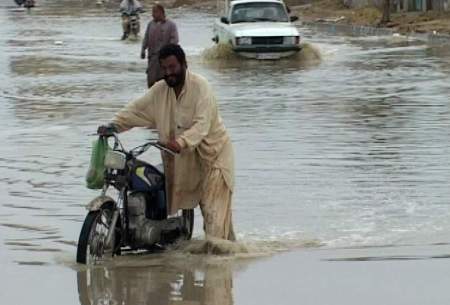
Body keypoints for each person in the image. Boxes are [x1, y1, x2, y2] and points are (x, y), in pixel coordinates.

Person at [98, 44, 235, 241]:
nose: (169, 73)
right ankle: (229, 255)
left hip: (214, 159)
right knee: (217, 223)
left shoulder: (201, 87)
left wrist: (180, 142)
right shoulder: (159, 90)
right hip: (184, 160)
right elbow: (136, 109)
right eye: (165, 69)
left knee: (214, 217)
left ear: (184, 64)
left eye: (173, 68)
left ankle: (220, 261)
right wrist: (113, 125)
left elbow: (201, 125)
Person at [141, 4, 179, 88]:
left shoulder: (171, 25)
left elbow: (175, 40)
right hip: (152, 58)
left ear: (161, 12)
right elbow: (146, 38)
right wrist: (143, 49)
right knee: (151, 82)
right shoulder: (150, 24)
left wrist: (168, 52)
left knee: (164, 83)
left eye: (155, 12)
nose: (152, 14)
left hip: (165, 60)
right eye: (152, 12)